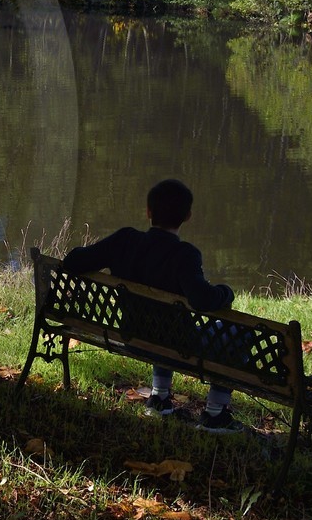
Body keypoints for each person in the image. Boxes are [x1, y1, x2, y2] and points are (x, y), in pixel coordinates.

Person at [62, 179, 241, 432]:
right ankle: (215, 414)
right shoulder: (185, 254)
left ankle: (159, 399)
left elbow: (73, 261)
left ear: (148, 211)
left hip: (132, 334)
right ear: (188, 216)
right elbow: (203, 300)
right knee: (234, 332)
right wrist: (226, 292)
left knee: (163, 325)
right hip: (176, 344)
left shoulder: (124, 240)